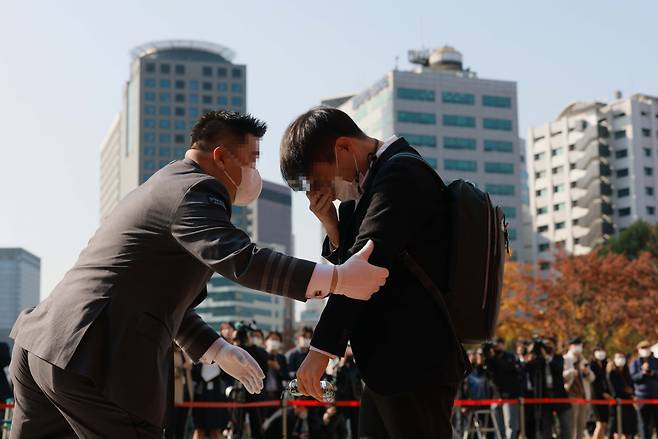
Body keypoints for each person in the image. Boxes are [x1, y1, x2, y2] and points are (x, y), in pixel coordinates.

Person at [8, 111, 389, 438]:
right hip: (93, 355)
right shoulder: (196, 189)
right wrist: (337, 278)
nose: (255, 173)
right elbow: (243, 260)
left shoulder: (164, 184)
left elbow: (157, 299)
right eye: (252, 160)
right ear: (222, 157)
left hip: (43, 344)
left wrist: (217, 349)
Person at [279, 107, 469, 438]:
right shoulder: (366, 188)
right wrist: (331, 225)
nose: (324, 192)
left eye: (321, 181)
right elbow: (349, 265)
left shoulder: (400, 173)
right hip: (384, 365)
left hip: (415, 361)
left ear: (343, 148)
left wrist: (320, 350)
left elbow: (362, 268)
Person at [524, 337, 572, 439]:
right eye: (545, 345)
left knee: (566, 427)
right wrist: (531, 354)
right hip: (544, 397)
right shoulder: (538, 360)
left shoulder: (558, 358)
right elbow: (527, 369)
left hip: (559, 396)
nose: (547, 347)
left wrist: (546, 357)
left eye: (550, 344)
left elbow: (557, 368)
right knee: (546, 428)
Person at [486, 337, 523, 439]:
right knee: (498, 428)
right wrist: (489, 357)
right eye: (495, 344)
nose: (497, 346)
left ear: (503, 344)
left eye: (499, 343)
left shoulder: (510, 357)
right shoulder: (490, 359)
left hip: (510, 396)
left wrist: (494, 358)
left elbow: (509, 368)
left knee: (511, 426)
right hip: (495, 396)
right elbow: (487, 373)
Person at [563, 337, 594, 439]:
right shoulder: (566, 359)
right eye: (577, 345)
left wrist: (587, 372)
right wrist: (572, 372)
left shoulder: (583, 360)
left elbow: (592, 378)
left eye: (580, 345)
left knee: (581, 425)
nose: (579, 347)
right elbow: (561, 376)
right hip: (571, 396)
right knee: (572, 425)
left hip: (583, 396)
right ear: (570, 346)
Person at [629, 340, 658, 439]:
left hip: (655, 395)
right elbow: (632, 378)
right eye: (643, 348)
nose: (645, 350)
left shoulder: (656, 361)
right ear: (638, 350)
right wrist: (642, 373)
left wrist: (653, 373)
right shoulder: (635, 363)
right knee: (644, 423)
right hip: (642, 396)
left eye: (647, 348)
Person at [334, 344, 362, 438]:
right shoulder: (339, 366)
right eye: (347, 347)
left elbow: (359, 383)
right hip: (342, 402)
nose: (349, 349)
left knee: (356, 427)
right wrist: (341, 364)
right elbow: (335, 381)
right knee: (343, 427)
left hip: (355, 401)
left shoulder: (356, 365)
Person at [608, 352, 637, 439]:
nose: (621, 359)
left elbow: (632, 387)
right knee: (617, 429)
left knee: (629, 430)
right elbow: (614, 390)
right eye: (618, 357)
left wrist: (631, 392)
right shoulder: (611, 373)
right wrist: (626, 391)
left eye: (622, 357)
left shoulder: (626, 372)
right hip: (617, 404)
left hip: (628, 404)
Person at [589, 346, 612, 439]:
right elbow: (593, 383)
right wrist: (603, 393)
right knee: (599, 423)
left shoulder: (605, 365)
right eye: (598, 351)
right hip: (596, 397)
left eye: (602, 350)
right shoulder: (592, 365)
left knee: (604, 424)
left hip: (605, 397)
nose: (601, 353)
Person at [263, 331, 289, 403]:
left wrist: (278, 368)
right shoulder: (261, 355)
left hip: (277, 393)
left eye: (276, 339)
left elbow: (286, 376)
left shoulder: (282, 358)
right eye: (272, 339)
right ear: (266, 341)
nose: (274, 342)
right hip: (263, 393)